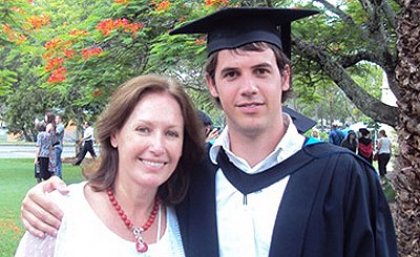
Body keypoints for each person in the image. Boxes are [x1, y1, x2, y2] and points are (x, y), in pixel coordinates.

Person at [20, 7, 397, 257]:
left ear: (284, 77)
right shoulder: (192, 177)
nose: (248, 87)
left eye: (261, 71)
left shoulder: (344, 176)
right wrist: (46, 198)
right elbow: (118, 199)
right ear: (212, 84)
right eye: (231, 74)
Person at [15, 74, 204, 257]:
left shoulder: (187, 220)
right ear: (115, 135)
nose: (157, 146)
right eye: (143, 129)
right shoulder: (57, 214)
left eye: (171, 133)